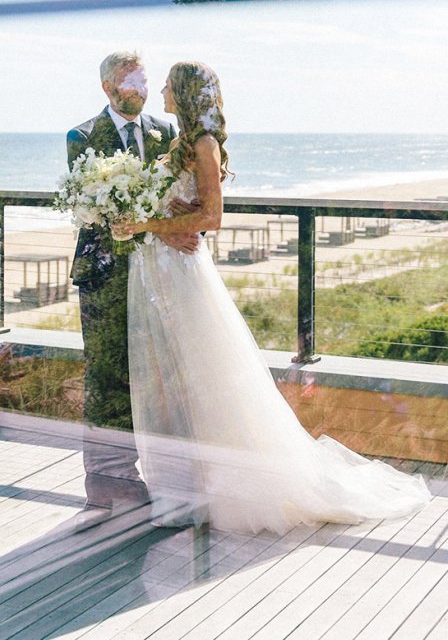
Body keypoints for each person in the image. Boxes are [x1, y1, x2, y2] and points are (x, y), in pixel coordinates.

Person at [115, 61, 431, 532]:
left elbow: (213, 217)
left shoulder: (203, 144)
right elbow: (189, 207)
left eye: (167, 84)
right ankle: (185, 488)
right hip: (160, 268)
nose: (160, 89)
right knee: (174, 379)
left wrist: (148, 224)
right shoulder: (178, 143)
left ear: (183, 92)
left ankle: (229, 488)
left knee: (207, 377)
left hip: (183, 272)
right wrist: (162, 217)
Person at [66, 51, 199, 531]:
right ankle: (110, 483)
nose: (141, 88)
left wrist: (182, 224)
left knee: (162, 375)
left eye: (144, 79)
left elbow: (180, 199)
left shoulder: (168, 134)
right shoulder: (81, 137)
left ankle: (171, 480)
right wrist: (163, 229)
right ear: (107, 87)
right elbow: (98, 212)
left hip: (157, 274)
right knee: (106, 377)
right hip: (104, 274)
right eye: (130, 80)